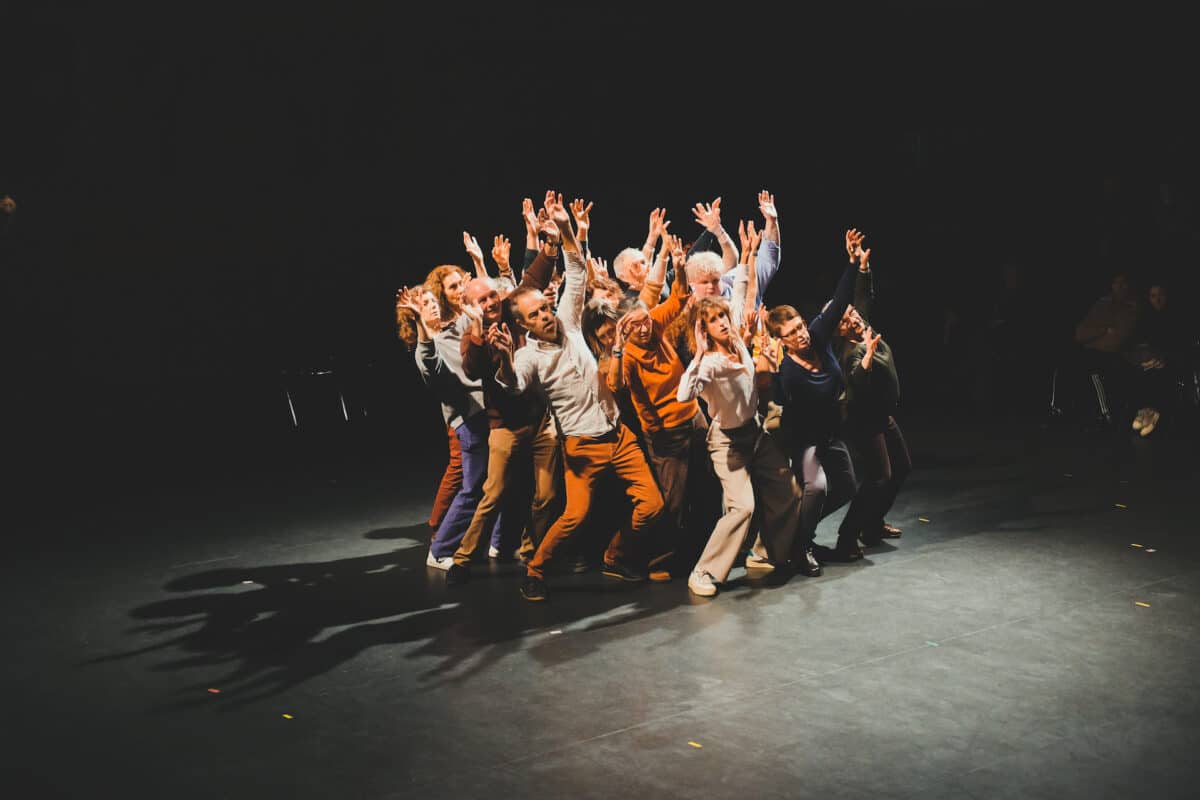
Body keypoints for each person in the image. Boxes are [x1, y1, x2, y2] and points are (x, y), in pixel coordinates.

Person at [495, 193, 664, 601]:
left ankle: (615, 555)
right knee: (574, 516)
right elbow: (514, 385)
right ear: (524, 326)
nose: (545, 315)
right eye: (535, 315)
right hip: (581, 446)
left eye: (544, 308)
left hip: (619, 436)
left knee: (652, 506)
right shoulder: (529, 356)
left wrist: (566, 227)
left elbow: (574, 268)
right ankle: (536, 570)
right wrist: (502, 361)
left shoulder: (569, 322)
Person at [676, 221, 806, 596]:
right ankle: (704, 572)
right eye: (714, 320)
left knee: (789, 492)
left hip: (756, 433)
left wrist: (748, 254)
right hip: (728, 443)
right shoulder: (710, 363)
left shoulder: (735, 340)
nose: (723, 322)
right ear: (703, 330)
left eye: (723, 317)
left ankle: (764, 553)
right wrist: (699, 355)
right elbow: (684, 395)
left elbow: (742, 288)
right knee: (742, 508)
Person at [609, 233, 721, 579]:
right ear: (623, 328)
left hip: (693, 416)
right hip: (665, 433)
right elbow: (617, 386)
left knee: (706, 483)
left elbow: (677, 297)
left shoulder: (654, 323)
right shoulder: (628, 354)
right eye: (634, 326)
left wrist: (678, 266)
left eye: (645, 321)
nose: (644, 328)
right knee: (672, 500)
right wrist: (618, 347)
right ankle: (657, 560)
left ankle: (701, 547)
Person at [763, 229, 864, 565]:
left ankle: (800, 531)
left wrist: (852, 262)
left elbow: (840, 300)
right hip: (805, 440)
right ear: (782, 341)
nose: (800, 335)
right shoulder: (788, 369)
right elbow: (780, 400)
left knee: (847, 487)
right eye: (791, 334)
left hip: (831, 434)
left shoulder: (818, 336)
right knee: (817, 487)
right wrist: (773, 370)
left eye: (800, 327)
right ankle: (801, 548)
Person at [833, 231, 911, 548]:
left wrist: (862, 267)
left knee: (902, 467)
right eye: (846, 319)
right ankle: (848, 535)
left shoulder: (863, 328)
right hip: (863, 421)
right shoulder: (849, 352)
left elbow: (863, 298)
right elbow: (856, 379)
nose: (854, 318)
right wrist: (865, 360)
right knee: (879, 476)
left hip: (881, 415)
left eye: (853, 314)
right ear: (839, 330)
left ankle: (872, 524)